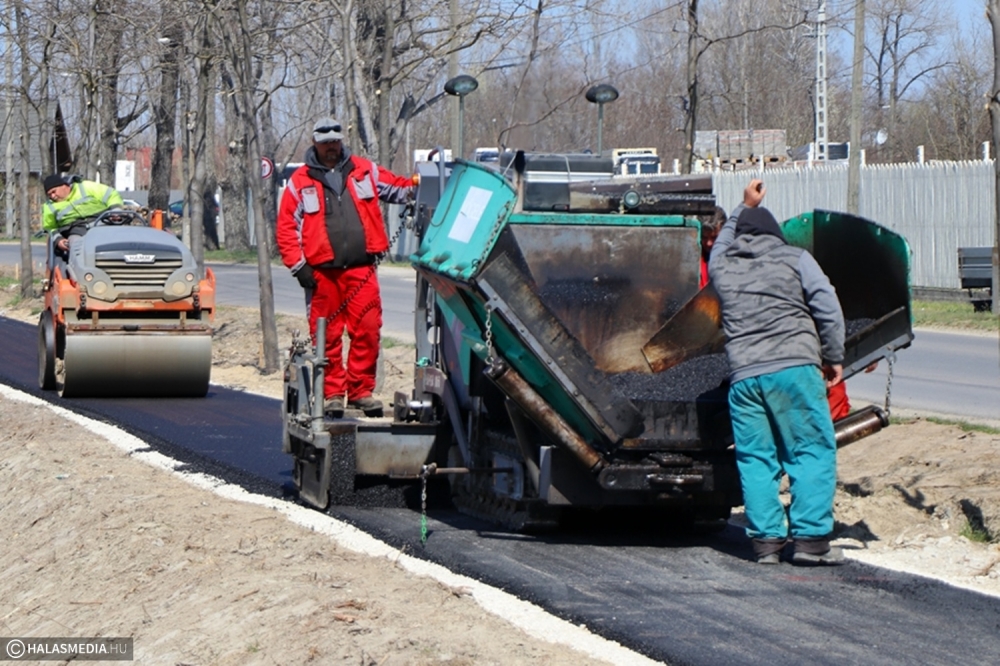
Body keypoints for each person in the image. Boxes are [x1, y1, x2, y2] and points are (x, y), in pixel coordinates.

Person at [709, 178, 847, 566]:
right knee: (810, 451)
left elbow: (720, 243)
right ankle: (811, 541)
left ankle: (767, 544)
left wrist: (741, 205)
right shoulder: (795, 258)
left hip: (745, 378)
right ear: (776, 234)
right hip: (794, 370)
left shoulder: (723, 267)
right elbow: (827, 305)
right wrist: (833, 356)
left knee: (756, 459)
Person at [276, 117, 415, 418]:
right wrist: (299, 266)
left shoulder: (365, 170)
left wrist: (422, 182)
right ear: (315, 143)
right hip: (321, 274)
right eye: (326, 142)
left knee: (368, 330)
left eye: (336, 141)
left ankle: (361, 391)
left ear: (342, 141)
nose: (331, 147)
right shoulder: (300, 182)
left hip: (362, 270)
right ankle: (333, 393)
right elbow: (287, 227)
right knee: (327, 335)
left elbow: (400, 189)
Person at [42, 174, 125, 253]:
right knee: (76, 247)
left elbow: (111, 194)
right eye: (49, 195)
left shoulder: (85, 187)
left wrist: (116, 211)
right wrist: (58, 239)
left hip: (102, 224)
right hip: (76, 232)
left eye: (54, 192)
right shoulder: (49, 206)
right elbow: (50, 227)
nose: (53, 196)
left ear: (64, 186)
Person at [699, 205, 727, 289]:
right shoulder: (694, 256)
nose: (709, 243)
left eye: (714, 237)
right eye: (704, 237)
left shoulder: (733, 257)